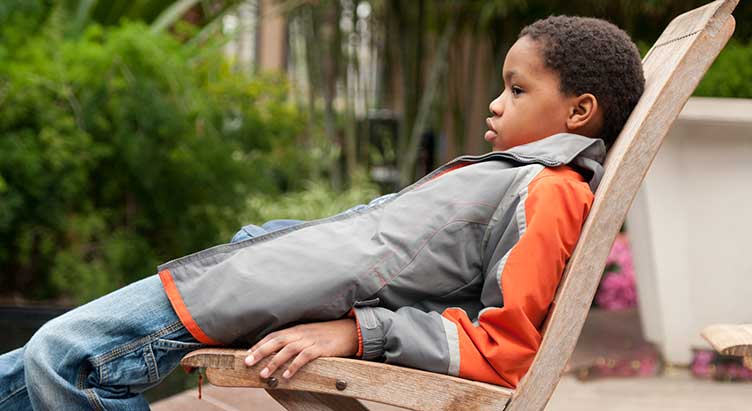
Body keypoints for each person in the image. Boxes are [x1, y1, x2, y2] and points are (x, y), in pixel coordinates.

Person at [0, 15, 644, 410]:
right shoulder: (518, 176)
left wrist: (357, 334)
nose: (496, 104)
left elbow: (504, 346)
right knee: (16, 370)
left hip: (274, 290)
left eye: (517, 88)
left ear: (580, 111)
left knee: (64, 356)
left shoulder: (549, 191)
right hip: (273, 271)